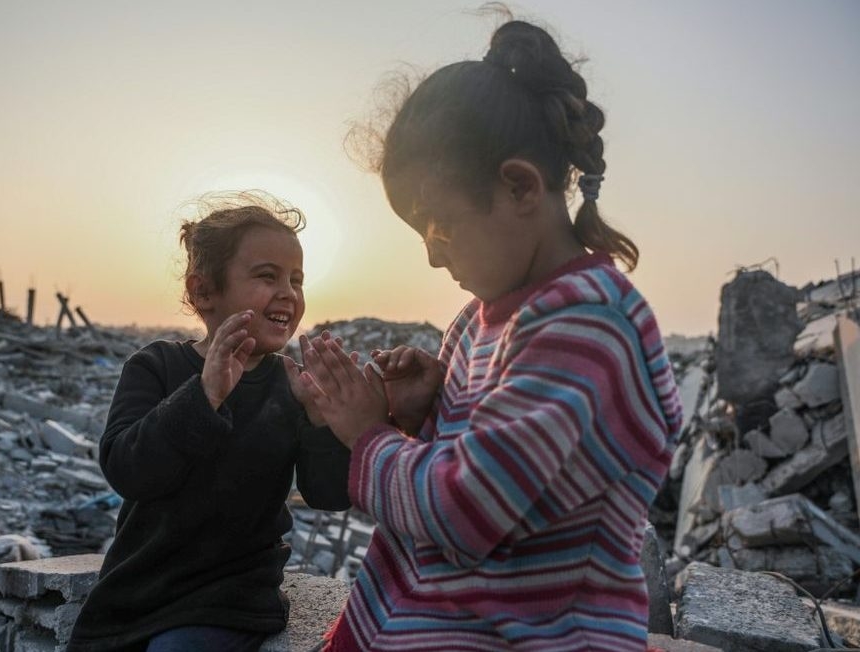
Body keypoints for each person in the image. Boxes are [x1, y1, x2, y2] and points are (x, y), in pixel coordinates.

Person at [299, 17, 683, 652]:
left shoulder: (590, 326)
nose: (431, 255)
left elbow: (465, 510)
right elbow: (475, 460)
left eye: (439, 225)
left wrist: (367, 435)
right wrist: (420, 416)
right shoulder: (479, 319)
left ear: (519, 186)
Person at [66, 192, 351, 652]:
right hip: (138, 588)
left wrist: (321, 419)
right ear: (204, 292)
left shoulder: (290, 386)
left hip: (231, 598)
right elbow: (126, 469)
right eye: (267, 276)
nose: (288, 293)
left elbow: (328, 495)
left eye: (296, 280)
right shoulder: (155, 366)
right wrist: (205, 395)